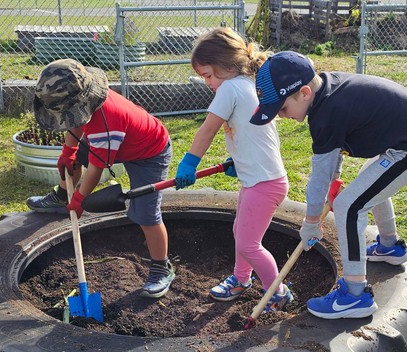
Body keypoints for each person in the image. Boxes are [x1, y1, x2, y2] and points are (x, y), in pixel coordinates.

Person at [250, 51, 407, 319]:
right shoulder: (327, 92)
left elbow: (318, 175)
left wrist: (312, 221)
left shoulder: (326, 114)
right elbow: (336, 152)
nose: (282, 116)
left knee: (350, 206)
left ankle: (354, 295)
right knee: (366, 181)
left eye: (281, 109)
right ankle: (389, 247)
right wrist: (336, 180)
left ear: (303, 93)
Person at [26, 58, 176, 298]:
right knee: (73, 160)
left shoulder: (107, 123)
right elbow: (73, 122)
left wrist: (80, 199)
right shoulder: (86, 106)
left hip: (149, 153)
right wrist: (68, 152)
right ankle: (62, 195)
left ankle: (161, 267)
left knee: (146, 213)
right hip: (120, 141)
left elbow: (96, 168)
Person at [174, 28, 292, 312]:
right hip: (261, 178)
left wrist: (190, 161)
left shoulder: (230, 88)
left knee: (250, 243)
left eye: (208, 75)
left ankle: (277, 291)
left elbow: (207, 130)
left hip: (263, 183)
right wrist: (237, 163)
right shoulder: (250, 83)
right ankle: (240, 279)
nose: (207, 82)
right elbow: (254, 135)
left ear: (226, 66)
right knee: (241, 232)